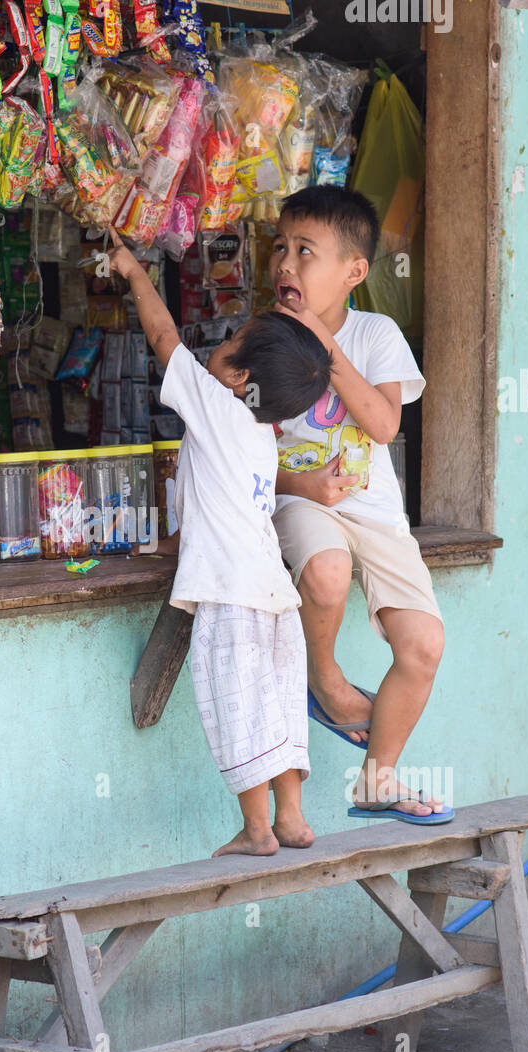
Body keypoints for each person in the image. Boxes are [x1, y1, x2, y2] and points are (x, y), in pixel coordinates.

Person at [108, 226, 332, 858]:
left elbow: (162, 338)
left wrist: (133, 271)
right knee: (279, 709)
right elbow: (217, 509)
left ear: (243, 378)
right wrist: (168, 547)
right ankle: (290, 818)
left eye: (231, 342)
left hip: (232, 599)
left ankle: (257, 829)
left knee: (239, 709)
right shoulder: (263, 435)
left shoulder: (219, 406)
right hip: (274, 596)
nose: (221, 345)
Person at [270, 185, 452, 825]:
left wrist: (323, 343)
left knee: (424, 645)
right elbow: (244, 454)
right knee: (324, 572)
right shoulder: (265, 342)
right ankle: (325, 680)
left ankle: (378, 781)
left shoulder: (377, 334)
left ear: (353, 272)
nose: (286, 264)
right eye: (281, 248)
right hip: (300, 497)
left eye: (305, 252)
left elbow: (380, 424)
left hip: (373, 511)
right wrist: (301, 488)